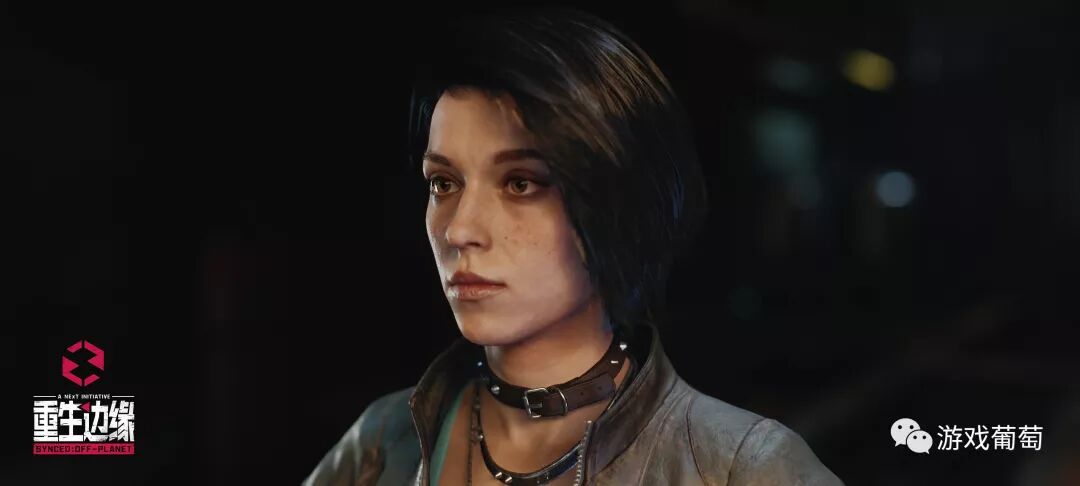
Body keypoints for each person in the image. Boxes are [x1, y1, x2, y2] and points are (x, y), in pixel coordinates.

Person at [304, 7, 843, 485]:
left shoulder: (740, 468)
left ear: (619, 200)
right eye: (444, 183)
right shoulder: (380, 444)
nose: (459, 229)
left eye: (521, 183)